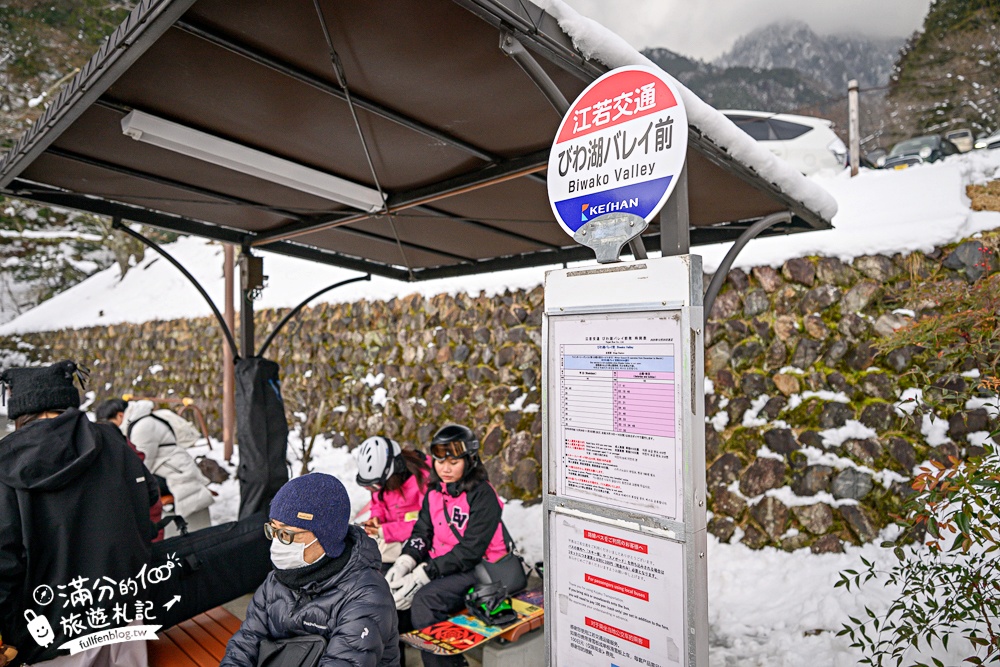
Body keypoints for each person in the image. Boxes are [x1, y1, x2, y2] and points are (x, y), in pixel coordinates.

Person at [0, 361, 156, 667]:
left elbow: (4, 562)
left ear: (20, 411)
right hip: (125, 617)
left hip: (48, 638)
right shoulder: (112, 440)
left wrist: (12, 635)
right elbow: (148, 496)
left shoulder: (6, 462)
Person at [219, 473, 399, 666]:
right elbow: (246, 642)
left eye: (288, 534)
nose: (278, 543)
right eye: (273, 530)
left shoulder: (366, 597)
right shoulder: (277, 580)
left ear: (325, 537)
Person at [386, 425, 513, 667]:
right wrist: (405, 562)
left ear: (470, 460)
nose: (445, 468)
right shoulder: (435, 491)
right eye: (440, 461)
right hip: (444, 564)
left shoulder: (483, 496)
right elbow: (422, 531)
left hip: (480, 569)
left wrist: (424, 573)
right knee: (391, 598)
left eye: (454, 462)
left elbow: (471, 551)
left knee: (425, 602)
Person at [120, 399, 213, 532]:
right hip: (172, 468)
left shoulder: (143, 426)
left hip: (175, 472)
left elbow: (144, 462)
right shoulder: (143, 421)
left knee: (138, 488)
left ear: (119, 415)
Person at [355, 435, 430, 568]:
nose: (374, 490)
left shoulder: (423, 482)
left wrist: (385, 531)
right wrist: (376, 518)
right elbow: (378, 503)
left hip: (418, 544)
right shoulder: (383, 481)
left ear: (393, 470)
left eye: (375, 486)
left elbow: (429, 524)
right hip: (390, 539)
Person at [95, 398, 165, 542]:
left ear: (120, 416)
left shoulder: (138, 428)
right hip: (152, 486)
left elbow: (142, 465)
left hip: (169, 479)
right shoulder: (121, 435)